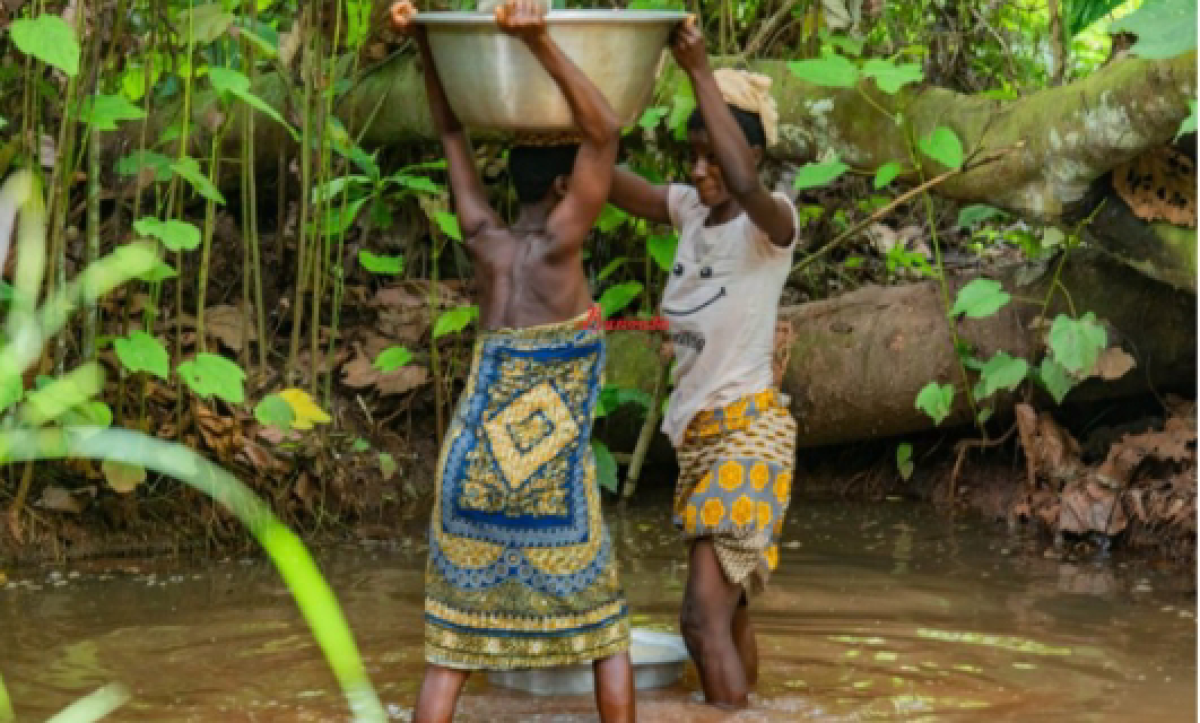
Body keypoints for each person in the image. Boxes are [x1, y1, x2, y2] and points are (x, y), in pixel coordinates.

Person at [388, 2, 634, 722]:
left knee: (452, 647)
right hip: (545, 473)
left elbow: (450, 130)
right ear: (566, 187)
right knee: (607, 632)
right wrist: (539, 41)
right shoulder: (562, 248)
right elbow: (608, 130)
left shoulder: (483, 240)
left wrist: (428, 45)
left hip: (470, 466)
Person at [606, 16, 802, 710]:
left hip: (747, 436)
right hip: (702, 444)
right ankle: (750, 706)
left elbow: (747, 184)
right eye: (692, 154)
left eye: (713, 155)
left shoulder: (769, 223)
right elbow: (602, 178)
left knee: (698, 617)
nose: (698, 169)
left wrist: (698, 69)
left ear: (748, 153)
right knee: (730, 614)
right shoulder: (691, 211)